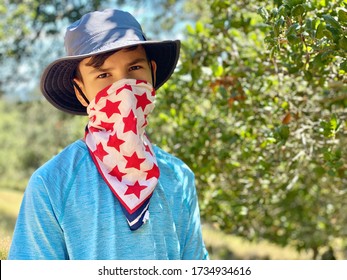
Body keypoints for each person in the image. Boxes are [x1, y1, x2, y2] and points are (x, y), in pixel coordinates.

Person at [8, 8, 208, 260]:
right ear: (80, 90)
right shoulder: (52, 184)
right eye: (103, 75)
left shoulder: (179, 177)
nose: (123, 87)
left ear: (152, 73)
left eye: (135, 67)